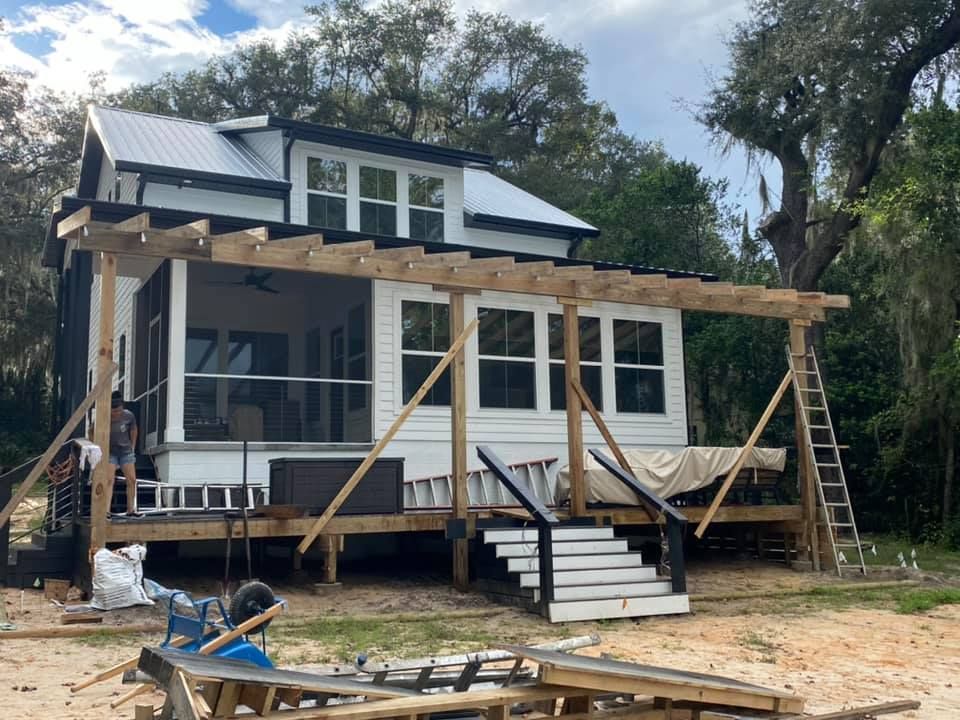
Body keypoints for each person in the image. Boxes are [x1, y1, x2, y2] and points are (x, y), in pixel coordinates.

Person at [108, 391, 139, 515]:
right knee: (109, 480)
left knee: (131, 480)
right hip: (110, 452)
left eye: (119, 410)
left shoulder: (129, 416)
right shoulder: (104, 417)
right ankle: (106, 511)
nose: (117, 413)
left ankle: (131, 510)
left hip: (125, 452)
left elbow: (134, 430)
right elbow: (92, 431)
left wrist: (132, 446)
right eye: (114, 411)